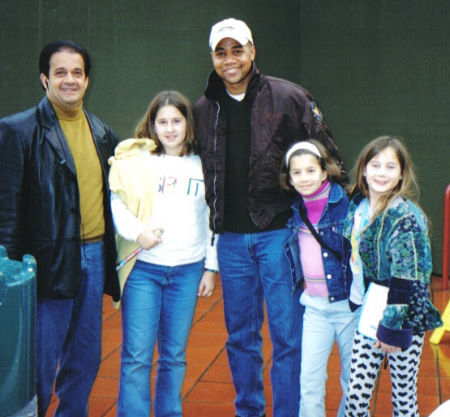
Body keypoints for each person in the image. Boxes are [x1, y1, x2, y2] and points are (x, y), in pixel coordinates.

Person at [193, 17, 346, 417]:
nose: (230, 59)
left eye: (237, 49)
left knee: (287, 337)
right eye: (221, 52)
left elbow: (329, 158)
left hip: (280, 237)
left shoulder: (290, 98)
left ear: (253, 51)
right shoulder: (203, 109)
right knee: (241, 338)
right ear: (212, 57)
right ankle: (249, 410)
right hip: (230, 242)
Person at [0, 40, 120, 416]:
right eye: (60, 72)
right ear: (44, 79)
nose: (70, 80)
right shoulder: (17, 131)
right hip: (44, 261)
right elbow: (7, 210)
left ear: (87, 81)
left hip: (94, 255)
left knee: (85, 359)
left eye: (77, 73)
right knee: (37, 361)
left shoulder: (102, 132)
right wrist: (9, 269)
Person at [108, 90, 218, 417]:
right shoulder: (141, 163)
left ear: (189, 124)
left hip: (186, 272)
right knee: (137, 357)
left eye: (176, 121)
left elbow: (214, 220)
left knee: (174, 356)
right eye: (162, 122)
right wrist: (137, 232)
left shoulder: (204, 164)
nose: (170, 129)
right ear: (152, 126)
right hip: (144, 271)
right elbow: (118, 202)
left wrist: (210, 268)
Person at [343, 136, 443, 417]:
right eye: (375, 165)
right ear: (364, 169)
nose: (382, 172)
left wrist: (392, 329)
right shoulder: (359, 206)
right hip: (371, 306)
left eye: (390, 166)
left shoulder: (405, 216)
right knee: (356, 396)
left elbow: (407, 279)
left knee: (403, 395)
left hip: (404, 314)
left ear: (401, 174)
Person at [281, 139, 358, 417]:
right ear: (289, 179)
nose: (304, 178)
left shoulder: (346, 204)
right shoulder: (294, 211)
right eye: (297, 172)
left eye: (311, 170)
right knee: (310, 381)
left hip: (349, 308)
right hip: (314, 307)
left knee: (354, 381)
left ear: (324, 172)